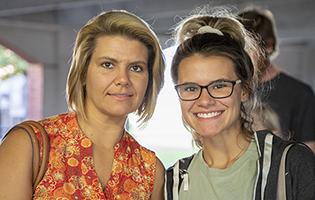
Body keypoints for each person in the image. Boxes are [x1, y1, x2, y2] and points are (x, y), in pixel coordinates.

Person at [0, 10, 165, 199]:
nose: (122, 79)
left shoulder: (151, 171)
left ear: (149, 80)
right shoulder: (28, 145)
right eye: (108, 64)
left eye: (136, 68)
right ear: (83, 73)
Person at [164, 6, 315, 199]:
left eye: (219, 86)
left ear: (244, 90)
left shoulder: (291, 163)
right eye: (191, 88)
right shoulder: (172, 183)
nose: (204, 100)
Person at [237, 7, 315, 152]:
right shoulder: (230, 90)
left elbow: (309, 155)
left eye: (248, 50)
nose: (240, 59)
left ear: (268, 46)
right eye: (236, 51)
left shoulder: (299, 94)